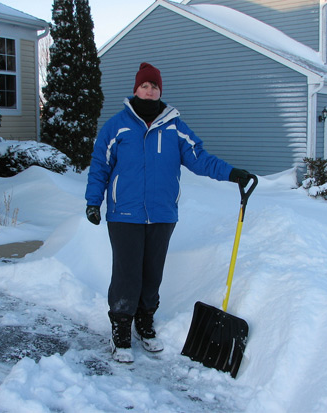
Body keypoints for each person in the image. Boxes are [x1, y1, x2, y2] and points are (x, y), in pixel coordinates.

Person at [85, 62, 251, 363]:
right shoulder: (117, 126)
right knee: (127, 274)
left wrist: (231, 173)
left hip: (162, 214)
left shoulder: (174, 127)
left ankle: (145, 323)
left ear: (161, 91)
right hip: (124, 214)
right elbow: (100, 166)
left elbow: (199, 158)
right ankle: (121, 328)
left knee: (152, 273)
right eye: (145, 86)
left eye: (155, 86)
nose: (150, 91)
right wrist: (93, 201)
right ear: (136, 89)